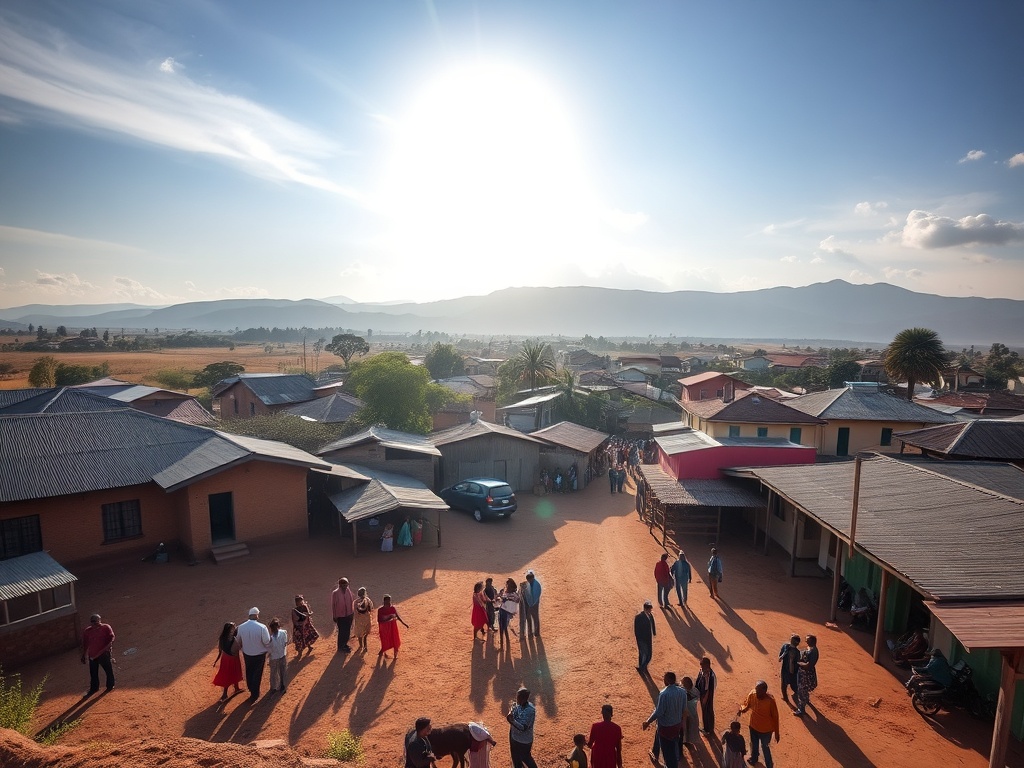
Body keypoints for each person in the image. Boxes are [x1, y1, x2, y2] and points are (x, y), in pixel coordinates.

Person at [642, 671, 685, 768]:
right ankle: (655, 752)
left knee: (668, 753)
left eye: (664, 678)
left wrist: (648, 722)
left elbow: (659, 712)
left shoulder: (664, 693)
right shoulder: (682, 692)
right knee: (673, 745)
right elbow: (683, 709)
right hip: (677, 726)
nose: (663, 680)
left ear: (668, 680)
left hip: (665, 728)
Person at [736, 681, 780, 768]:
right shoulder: (752, 694)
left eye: (759, 691)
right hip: (753, 726)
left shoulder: (770, 701)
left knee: (765, 747)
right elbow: (747, 705)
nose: (757, 693)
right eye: (756, 690)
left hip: (766, 731)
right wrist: (742, 710)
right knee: (754, 744)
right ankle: (754, 758)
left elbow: (775, 717)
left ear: (765, 691)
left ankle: (769, 765)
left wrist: (777, 733)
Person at [236, 606, 271, 701]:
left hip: (247, 654)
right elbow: (267, 642)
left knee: (249, 671)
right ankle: (255, 694)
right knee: (257, 674)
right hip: (259, 655)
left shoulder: (241, 627)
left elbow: (238, 641)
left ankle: (251, 689)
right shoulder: (262, 627)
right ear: (256, 615)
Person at [81, 613, 115, 697]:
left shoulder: (106, 627)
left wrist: (106, 649)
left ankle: (110, 686)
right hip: (92, 655)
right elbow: (85, 644)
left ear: (100, 621)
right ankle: (94, 688)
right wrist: (84, 654)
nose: (94, 624)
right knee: (93, 673)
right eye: (92, 622)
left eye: (96, 622)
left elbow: (111, 639)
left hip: (103, 654)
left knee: (108, 671)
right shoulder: (87, 631)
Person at [506, 687, 539, 768]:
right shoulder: (519, 705)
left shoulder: (530, 710)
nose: (516, 699)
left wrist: (512, 721)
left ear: (523, 698)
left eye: (518, 697)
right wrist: (511, 711)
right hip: (514, 737)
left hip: (523, 741)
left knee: (526, 758)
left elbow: (523, 728)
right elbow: (514, 710)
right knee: (516, 758)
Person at [211, 621, 244, 700]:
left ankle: (235, 688)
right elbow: (238, 647)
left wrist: (216, 660)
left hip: (225, 658)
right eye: (234, 627)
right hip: (233, 658)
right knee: (232, 673)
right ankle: (225, 694)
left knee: (228, 673)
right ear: (230, 630)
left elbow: (220, 651)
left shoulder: (222, 638)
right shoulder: (232, 638)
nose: (235, 628)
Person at [587, 703, 623, 768]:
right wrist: (620, 764)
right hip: (610, 756)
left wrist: (585, 742)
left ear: (602, 714)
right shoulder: (617, 728)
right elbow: (618, 749)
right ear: (611, 714)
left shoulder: (595, 726)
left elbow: (590, 744)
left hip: (597, 755)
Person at [794, 634, 819, 716]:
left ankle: (801, 710)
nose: (805, 641)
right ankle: (806, 700)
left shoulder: (813, 652)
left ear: (812, 642)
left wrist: (799, 663)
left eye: (807, 640)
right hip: (803, 672)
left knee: (802, 690)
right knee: (803, 689)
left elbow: (809, 665)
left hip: (806, 674)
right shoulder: (810, 648)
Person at [378, 593, 408, 658]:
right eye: (387, 601)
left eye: (389, 601)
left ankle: (394, 655)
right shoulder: (380, 610)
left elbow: (397, 616)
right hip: (385, 628)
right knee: (385, 640)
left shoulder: (392, 608)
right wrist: (389, 619)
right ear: (384, 601)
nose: (389, 602)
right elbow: (379, 620)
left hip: (393, 627)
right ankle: (383, 652)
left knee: (394, 640)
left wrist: (404, 623)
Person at [332, 577, 356, 653]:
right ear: (340, 585)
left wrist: (352, 612)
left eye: (346, 584)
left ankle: (345, 644)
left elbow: (351, 601)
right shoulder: (335, 593)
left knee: (347, 630)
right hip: (340, 615)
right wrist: (335, 616)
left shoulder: (348, 590)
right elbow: (334, 605)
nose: (345, 586)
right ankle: (341, 646)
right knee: (342, 631)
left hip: (349, 613)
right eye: (344, 584)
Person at [695, 656, 717, 735]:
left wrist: (704, 699)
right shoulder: (703, 671)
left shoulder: (708, 675)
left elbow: (707, 690)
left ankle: (708, 729)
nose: (701, 666)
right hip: (702, 694)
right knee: (707, 711)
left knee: (707, 711)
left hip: (706, 696)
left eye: (702, 664)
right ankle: (709, 728)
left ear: (707, 665)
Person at [634, 601, 656, 674]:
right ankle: (642, 668)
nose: (650, 611)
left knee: (649, 654)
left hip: (648, 638)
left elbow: (652, 623)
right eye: (649, 609)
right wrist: (639, 639)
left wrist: (654, 632)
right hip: (642, 639)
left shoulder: (650, 615)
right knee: (644, 653)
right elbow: (636, 630)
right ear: (645, 609)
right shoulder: (639, 617)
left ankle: (643, 667)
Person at [267, 617, 289, 693]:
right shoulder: (271, 638)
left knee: (281, 671)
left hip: (280, 656)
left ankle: (282, 685)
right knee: (274, 673)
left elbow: (285, 642)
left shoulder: (283, 633)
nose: (273, 629)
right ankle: (274, 687)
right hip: (276, 657)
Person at [497, 578, 520, 648]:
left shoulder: (513, 594)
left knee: (503, 628)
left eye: (508, 585)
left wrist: (507, 598)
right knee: (504, 628)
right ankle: (505, 643)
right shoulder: (509, 593)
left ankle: (502, 645)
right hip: (503, 611)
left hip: (505, 612)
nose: (507, 586)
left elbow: (517, 600)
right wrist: (500, 596)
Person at [778, 635, 801, 702]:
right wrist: (783, 655)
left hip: (792, 672)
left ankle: (798, 694)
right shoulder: (785, 647)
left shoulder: (797, 653)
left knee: (792, 685)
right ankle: (785, 697)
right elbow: (780, 658)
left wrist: (791, 660)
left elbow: (796, 665)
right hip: (786, 670)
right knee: (785, 685)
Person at [353, 587, 375, 651]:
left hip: (359, 620)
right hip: (366, 618)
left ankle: (361, 646)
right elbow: (371, 609)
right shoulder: (368, 600)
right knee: (366, 633)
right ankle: (365, 646)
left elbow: (355, 612)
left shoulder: (355, 602)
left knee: (360, 634)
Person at [680, 677, 699, 748]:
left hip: (685, 714)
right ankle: (688, 741)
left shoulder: (682, 692)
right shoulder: (696, 691)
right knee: (691, 727)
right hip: (693, 713)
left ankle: (685, 741)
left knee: (685, 727)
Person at [522, 570, 542, 638]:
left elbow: (536, 596)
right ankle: (530, 633)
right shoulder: (529, 583)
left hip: (534, 604)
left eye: (529, 580)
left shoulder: (536, 585)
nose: (528, 581)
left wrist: (532, 604)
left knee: (535, 618)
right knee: (529, 618)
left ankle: (537, 632)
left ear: (532, 578)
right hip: (528, 603)